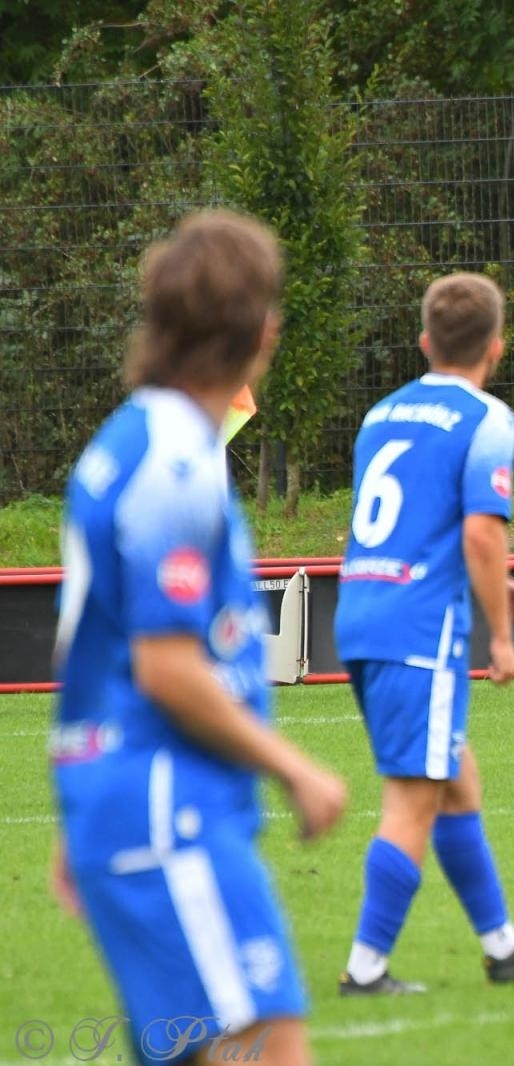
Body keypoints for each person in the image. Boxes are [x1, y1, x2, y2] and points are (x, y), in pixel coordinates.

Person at [50, 210, 348, 1066]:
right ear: (264, 332)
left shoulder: (126, 441)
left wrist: (88, 811)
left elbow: (99, 650)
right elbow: (165, 668)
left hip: (131, 802)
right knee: (273, 1048)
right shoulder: (176, 464)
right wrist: (295, 768)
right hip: (170, 814)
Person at [334, 272, 514, 994]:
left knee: (456, 782)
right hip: (418, 629)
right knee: (413, 800)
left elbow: (413, 524)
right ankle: (364, 970)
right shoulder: (486, 418)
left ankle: (504, 947)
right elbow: (479, 531)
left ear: (423, 341)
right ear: (496, 347)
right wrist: (500, 635)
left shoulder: (380, 414)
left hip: (363, 612)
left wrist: (491, 582)